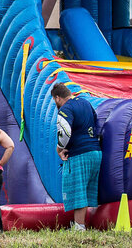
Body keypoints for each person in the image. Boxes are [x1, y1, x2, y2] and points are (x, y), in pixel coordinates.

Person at [52, 82, 102, 231]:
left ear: (57, 98)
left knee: (77, 191)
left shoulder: (65, 109)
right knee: (86, 191)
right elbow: (96, 122)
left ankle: (79, 227)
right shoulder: (86, 103)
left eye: (54, 100)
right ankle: (82, 225)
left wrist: (60, 148)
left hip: (79, 153)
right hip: (95, 152)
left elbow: (65, 131)